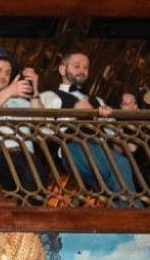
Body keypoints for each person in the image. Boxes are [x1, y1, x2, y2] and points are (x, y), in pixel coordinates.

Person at [38, 50, 137, 203]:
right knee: (117, 169)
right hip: (74, 148)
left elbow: (117, 139)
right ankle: (136, 216)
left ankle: (130, 218)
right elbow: (43, 130)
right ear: (62, 69)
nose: (82, 70)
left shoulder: (97, 101)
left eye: (86, 67)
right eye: (77, 66)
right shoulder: (50, 96)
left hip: (101, 148)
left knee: (119, 172)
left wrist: (105, 121)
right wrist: (74, 115)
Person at [0, 46, 46, 197]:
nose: (4, 76)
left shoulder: (19, 102)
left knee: (35, 206)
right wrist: (9, 92)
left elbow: (42, 124)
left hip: (30, 160)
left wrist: (35, 91)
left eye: (7, 72)